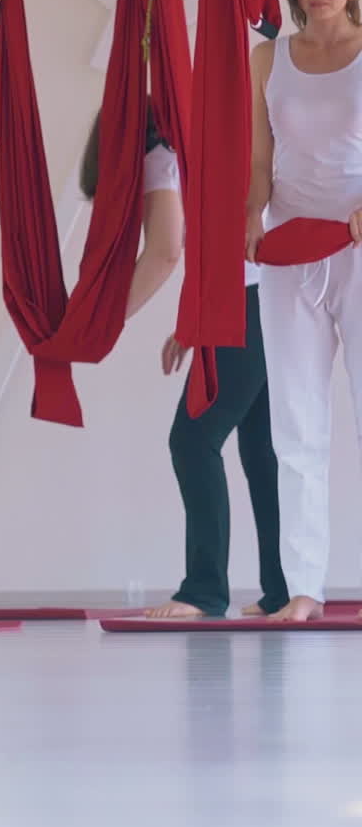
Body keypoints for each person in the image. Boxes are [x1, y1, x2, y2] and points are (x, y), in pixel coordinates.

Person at [248, 0, 362, 623]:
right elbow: (261, 161)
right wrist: (248, 220)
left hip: (355, 246)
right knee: (294, 423)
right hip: (289, 249)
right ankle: (304, 589)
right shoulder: (270, 59)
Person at [147, 264, 288, 619]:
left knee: (193, 441)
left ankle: (204, 589)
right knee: (261, 450)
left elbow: (163, 255)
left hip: (243, 300)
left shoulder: (168, 202)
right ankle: (283, 588)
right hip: (264, 295)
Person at [79, 106, 184, 318]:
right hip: (243, 283)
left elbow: (164, 254)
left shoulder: (154, 156)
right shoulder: (169, 153)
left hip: (248, 283)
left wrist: (102, 322)